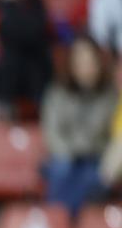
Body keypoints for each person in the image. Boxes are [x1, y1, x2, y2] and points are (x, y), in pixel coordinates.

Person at [40, 37, 115, 217]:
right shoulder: (57, 93)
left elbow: (111, 137)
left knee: (95, 177)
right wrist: (69, 153)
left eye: (90, 61)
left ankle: (71, 227)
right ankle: (60, 224)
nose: (85, 67)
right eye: (80, 61)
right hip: (65, 156)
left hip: (95, 157)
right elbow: (52, 133)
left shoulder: (110, 96)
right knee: (62, 170)